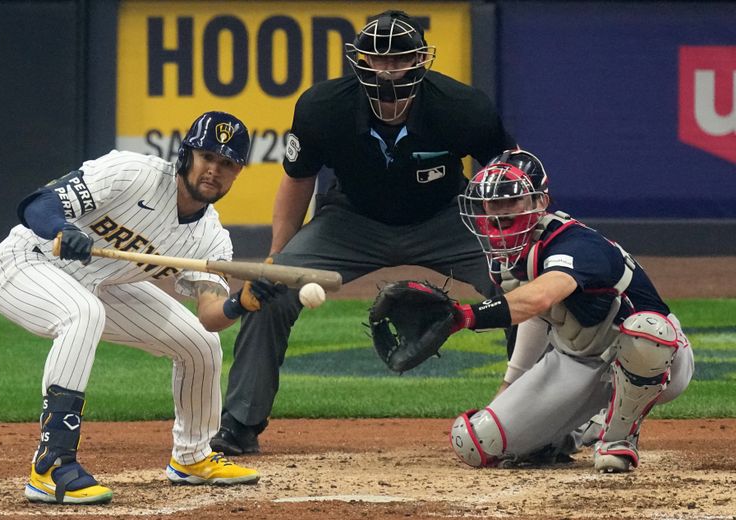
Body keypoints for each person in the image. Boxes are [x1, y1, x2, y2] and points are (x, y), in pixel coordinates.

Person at [210, 9, 517, 456]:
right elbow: (298, 180)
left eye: (401, 58)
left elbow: (508, 174)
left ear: (419, 60)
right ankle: (240, 423)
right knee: (268, 289)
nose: (389, 68)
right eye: (378, 58)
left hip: (447, 217)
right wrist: (275, 258)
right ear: (360, 61)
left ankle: (530, 420)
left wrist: (519, 249)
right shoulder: (322, 107)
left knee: (520, 284)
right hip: (350, 221)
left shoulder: (462, 107)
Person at [0, 111, 287, 504]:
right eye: (207, 157)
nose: (214, 169)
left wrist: (242, 302)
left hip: (99, 283)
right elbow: (37, 204)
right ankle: (52, 465)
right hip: (25, 263)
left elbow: (210, 316)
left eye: (227, 163)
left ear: (237, 173)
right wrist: (64, 229)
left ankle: (193, 457)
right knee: (83, 313)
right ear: (186, 155)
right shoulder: (132, 172)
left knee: (198, 344)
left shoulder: (211, 238)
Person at [446, 149, 694, 472]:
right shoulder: (505, 260)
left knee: (648, 330)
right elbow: (539, 315)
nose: (498, 212)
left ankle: (618, 437)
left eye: (511, 200)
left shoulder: (575, 243)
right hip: (576, 362)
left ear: (540, 202)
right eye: (492, 202)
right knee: (476, 442)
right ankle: (579, 428)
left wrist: (467, 315)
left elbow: (539, 297)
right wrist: (510, 386)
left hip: (655, 359)